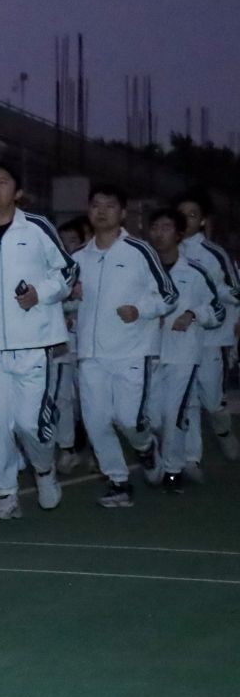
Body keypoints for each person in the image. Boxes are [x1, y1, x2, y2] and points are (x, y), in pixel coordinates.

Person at [0, 161, 76, 518]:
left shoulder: (36, 227)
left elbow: (67, 271)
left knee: (30, 423)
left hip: (34, 342)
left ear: (17, 191)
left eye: (2, 182)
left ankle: (44, 471)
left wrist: (40, 293)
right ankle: (6, 493)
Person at [70, 185, 177, 509]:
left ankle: (146, 447)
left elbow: (169, 295)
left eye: (110, 205)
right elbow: (63, 302)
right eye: (96, 205)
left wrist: (140, 310)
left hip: (132, 351)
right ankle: (117, 481)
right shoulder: (77, 258)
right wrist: (69, 297)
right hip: (90, 355)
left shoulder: (139, 251)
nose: (102, 211)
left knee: (129, 420)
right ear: (89, 210)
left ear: (123, 213)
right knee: (96, 422)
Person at [143, 207, 223, 489]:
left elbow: (217, 311)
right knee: (150, 417)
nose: (159, 233)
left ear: (178, 234)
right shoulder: (142, 269)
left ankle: (173, 470)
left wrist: (193, 314)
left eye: (166, 228)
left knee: (173, 414)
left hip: (183, 354)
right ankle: (152, 451)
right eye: (155, 227)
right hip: (147, 353)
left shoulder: (195, 272)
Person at [174, 191, 240, 469]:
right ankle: (192, 459)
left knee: (212, 400)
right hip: (179, 338)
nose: (186, 220)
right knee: (186, 398)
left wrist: (214, 290)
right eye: (182, 214)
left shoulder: (214, 253)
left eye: (193, 215)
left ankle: (223, 431)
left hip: (212, 337)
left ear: (202, 220)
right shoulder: (166, 251)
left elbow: (235, 291)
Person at [51, 216, 92, 474]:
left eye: (73, 241)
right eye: (63, 242)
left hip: (89, 347)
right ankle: (68, 449)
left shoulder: (90, 266)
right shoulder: (54, 268)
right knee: (62, 397)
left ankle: (91, 449)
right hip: (65, 346)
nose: (68, 248)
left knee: (88, 401)